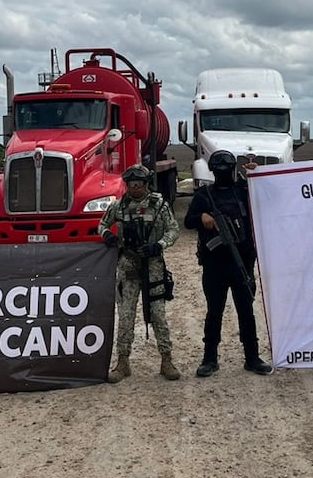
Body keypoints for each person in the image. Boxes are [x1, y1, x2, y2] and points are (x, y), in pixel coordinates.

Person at [183, 150, 273, 377]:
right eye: (219, 170)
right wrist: (202, 216)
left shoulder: (244, 190)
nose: (223, 174)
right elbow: (188, 221)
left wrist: (259, 176)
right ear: (213, 172)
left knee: (246, 311)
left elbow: (271, 195)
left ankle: (252, 358)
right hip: (214, 265)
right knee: (214, 312)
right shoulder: (205, 195)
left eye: (226, 170)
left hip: (241, 261)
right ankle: (209, 359)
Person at [99, 164, 181, 383]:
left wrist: (159, 245)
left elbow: (174, 229)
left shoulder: (159, 205)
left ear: (146, 184)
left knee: (158, 314)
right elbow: (102, 224)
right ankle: (122, 362)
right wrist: (108, 236)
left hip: (153, 266)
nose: (135, 189)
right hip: (128, 266)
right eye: (131, 185)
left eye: (139, 184)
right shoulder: (119, 207)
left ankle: (166, 359)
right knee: (126, 316)